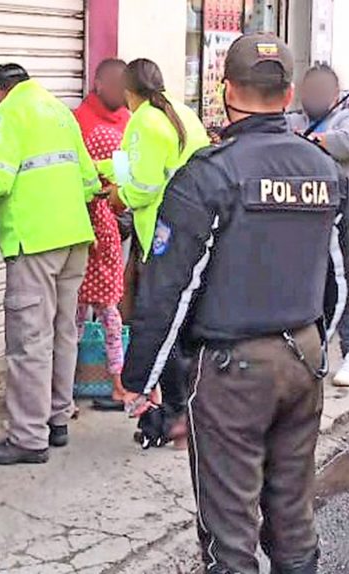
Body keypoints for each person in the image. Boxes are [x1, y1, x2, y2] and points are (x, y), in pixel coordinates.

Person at [123, 33, 349, 574]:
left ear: (227, 90)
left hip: (231, 372)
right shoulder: (323, 170)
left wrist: (141, 375)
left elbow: (169, 286)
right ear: (291, 91)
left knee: (229, 528)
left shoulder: (210, 173)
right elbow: (338, 281)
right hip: (303, 359)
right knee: (293, 515)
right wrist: (314, 344)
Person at [0, 64, 100, 465]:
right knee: (63, 331)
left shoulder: (6, 114)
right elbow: (89, 180)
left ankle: (29, 437)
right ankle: (56, 418)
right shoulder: (60, 111)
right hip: (74, 236)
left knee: (30, 338)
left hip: (35, 239)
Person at [107, 58, 210, 443]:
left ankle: (171, 414)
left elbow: (144, 185)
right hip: (197, 236)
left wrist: (120, 196)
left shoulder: (145, 120)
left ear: (129, 92)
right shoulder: (183, 113)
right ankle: (191, 410)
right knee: (186, 330)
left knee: (162, 328)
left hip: (162, 238)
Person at [288, 64, 349, 388]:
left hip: (348, 220)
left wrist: (310, 141)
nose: (315, 98)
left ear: (335, 95)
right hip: (303, 222)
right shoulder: (293, 119)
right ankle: (313, 350)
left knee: (348, 288)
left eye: (323, 92)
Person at [74, 58, 132, 410]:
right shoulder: (81, 121)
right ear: (97, 82)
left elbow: (127, 179)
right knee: (94, 312)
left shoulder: (128, 122)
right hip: (97, 227)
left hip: (112, 226)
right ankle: (98, 381)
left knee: (95, 312)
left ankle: (83, 383)